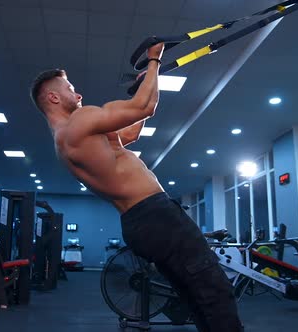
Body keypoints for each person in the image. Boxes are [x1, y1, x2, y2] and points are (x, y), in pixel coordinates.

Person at [29, 43, 243, 332]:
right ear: (53, 97)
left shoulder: (65, 140)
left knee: (196, 296)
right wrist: (154, 58)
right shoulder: (79, 121)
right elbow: (145, 106)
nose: (77, 94)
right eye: (69, 88)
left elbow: (131, 130)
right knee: (214, 289)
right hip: (157, 215)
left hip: (139, 224)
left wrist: (148, 81)